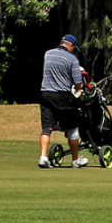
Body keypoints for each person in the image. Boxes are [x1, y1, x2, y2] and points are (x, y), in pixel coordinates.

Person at [38, 34, 87, 168]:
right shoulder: (72, 59)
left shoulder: (48, 54)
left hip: (46, 94)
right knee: (72, 127)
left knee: (47, 128)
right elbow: (78, 84)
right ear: (71, 46)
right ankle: (76, 160)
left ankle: (43, 157)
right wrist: (78, 90)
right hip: (63, 97)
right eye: (74, 48)